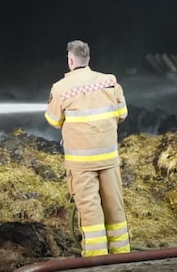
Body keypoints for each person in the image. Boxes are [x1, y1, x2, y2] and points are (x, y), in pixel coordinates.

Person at [44, 40, 131, 257]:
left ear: (70, 60)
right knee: (115, 207)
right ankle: (123, 256)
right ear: (88, 59)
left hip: (81, 164)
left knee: (90, 211)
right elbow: (122, 114)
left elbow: (53, 120)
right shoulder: (109, 82)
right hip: (109, 158)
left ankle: (96, 260)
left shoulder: (61, 88)